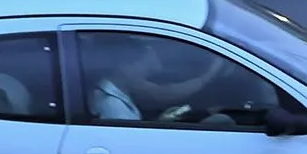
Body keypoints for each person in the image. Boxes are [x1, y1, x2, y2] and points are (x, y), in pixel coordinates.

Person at [87, 35, 225, 122]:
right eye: (142, 64)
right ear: (125, 67)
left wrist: (161, 120)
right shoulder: (113, 107)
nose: (146, 71)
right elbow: (132, 146)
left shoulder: (117, 86)